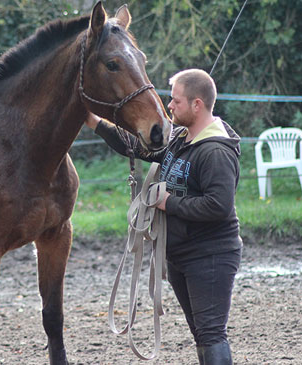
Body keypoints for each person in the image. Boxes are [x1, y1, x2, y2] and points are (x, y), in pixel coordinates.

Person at [84, 69, 242, 364]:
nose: (169, 106)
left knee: (210, 333)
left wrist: (168, 203)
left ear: (197, 105)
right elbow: (137, 146)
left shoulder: (216, 152)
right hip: (180, 254)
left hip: (210, 255)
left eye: (176, 101)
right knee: (201, 333)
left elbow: (218, 206)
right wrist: (94, 122)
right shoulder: (180, 138)